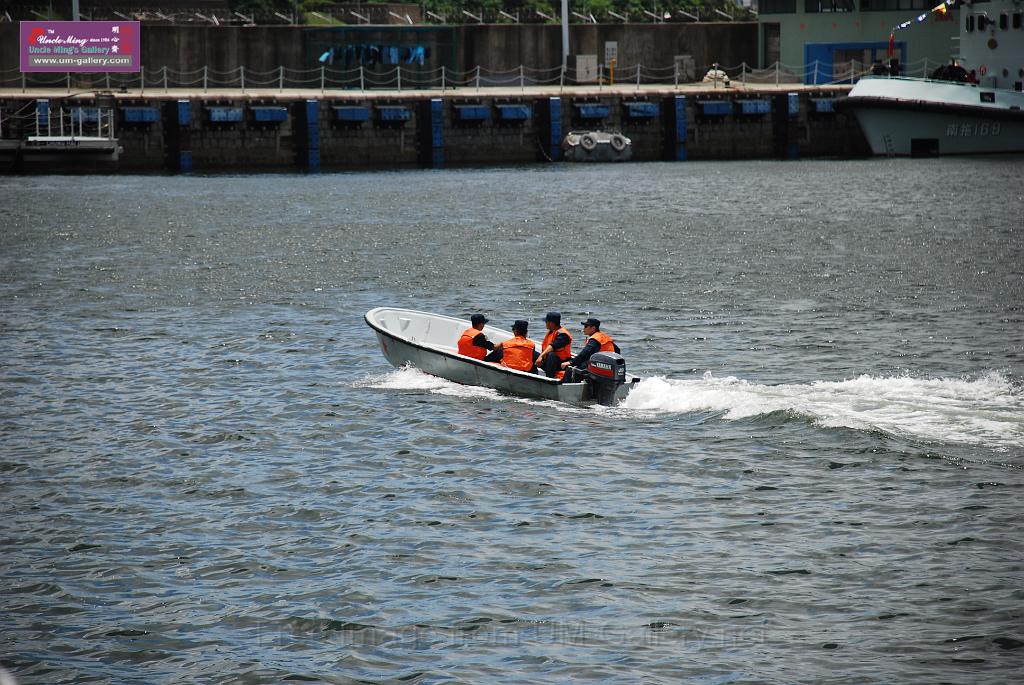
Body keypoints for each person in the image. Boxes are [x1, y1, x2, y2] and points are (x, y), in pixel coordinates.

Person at [537, 311, 573, 379]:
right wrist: (540, 357)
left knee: (551, 355)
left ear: (551, 323)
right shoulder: (552, 331)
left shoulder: (563, 335)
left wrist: (541, 356)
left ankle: (549, 379)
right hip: (548, 362)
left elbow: (553, 346)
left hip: (560, 365)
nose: (545, 324)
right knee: (532, 353)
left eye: (546, 322)